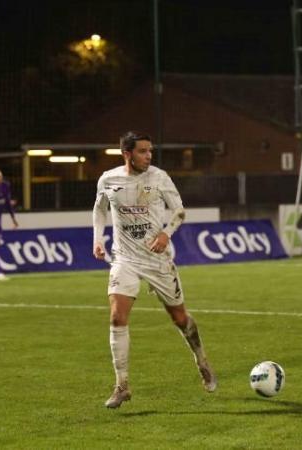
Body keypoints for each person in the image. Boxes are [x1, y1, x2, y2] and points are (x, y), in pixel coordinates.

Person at [92, 131, 216, 409]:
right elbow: (99, 209)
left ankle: (201, 360)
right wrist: (98, 240)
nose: (149, 156)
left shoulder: (159, 177)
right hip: (124, 258)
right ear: (127, 153)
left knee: (180, 318)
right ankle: (122, 385)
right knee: (116, 317)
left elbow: (179, 210)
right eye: (142, 151)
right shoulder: (108, 179)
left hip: (157, 260)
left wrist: (166, 233)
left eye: (150, 151)